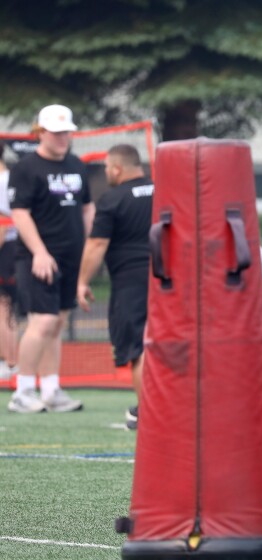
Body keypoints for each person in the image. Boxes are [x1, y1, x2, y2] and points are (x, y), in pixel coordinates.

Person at [7, 104, 94, 413]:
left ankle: (51, 389)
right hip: (37, 258)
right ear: (40, 132)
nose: (62, 138)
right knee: (41, 321)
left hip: (71, 256)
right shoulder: (26, 168)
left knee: (57, 322)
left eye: (66, 132)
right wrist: (40, 252)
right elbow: (20, 213)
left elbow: (86, 208)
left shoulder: (76, 165)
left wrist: (88, 250)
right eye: (56, 133)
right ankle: (23, 391)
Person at [76, 145, 153, 429]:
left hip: (130, 282)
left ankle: (149, 411)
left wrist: (83, 281)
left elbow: (96, 244)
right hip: (170, 280)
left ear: (118, 168)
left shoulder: (111, 199)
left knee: (137, 347)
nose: (106, 171)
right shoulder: (165, 191)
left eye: (108, 167)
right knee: (168, 344)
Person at [0, 143, 19, 380]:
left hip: (6, 251)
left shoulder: (4, 181)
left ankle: (12, 362)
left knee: (4, 307)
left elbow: (3, 226)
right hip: (9, 250)